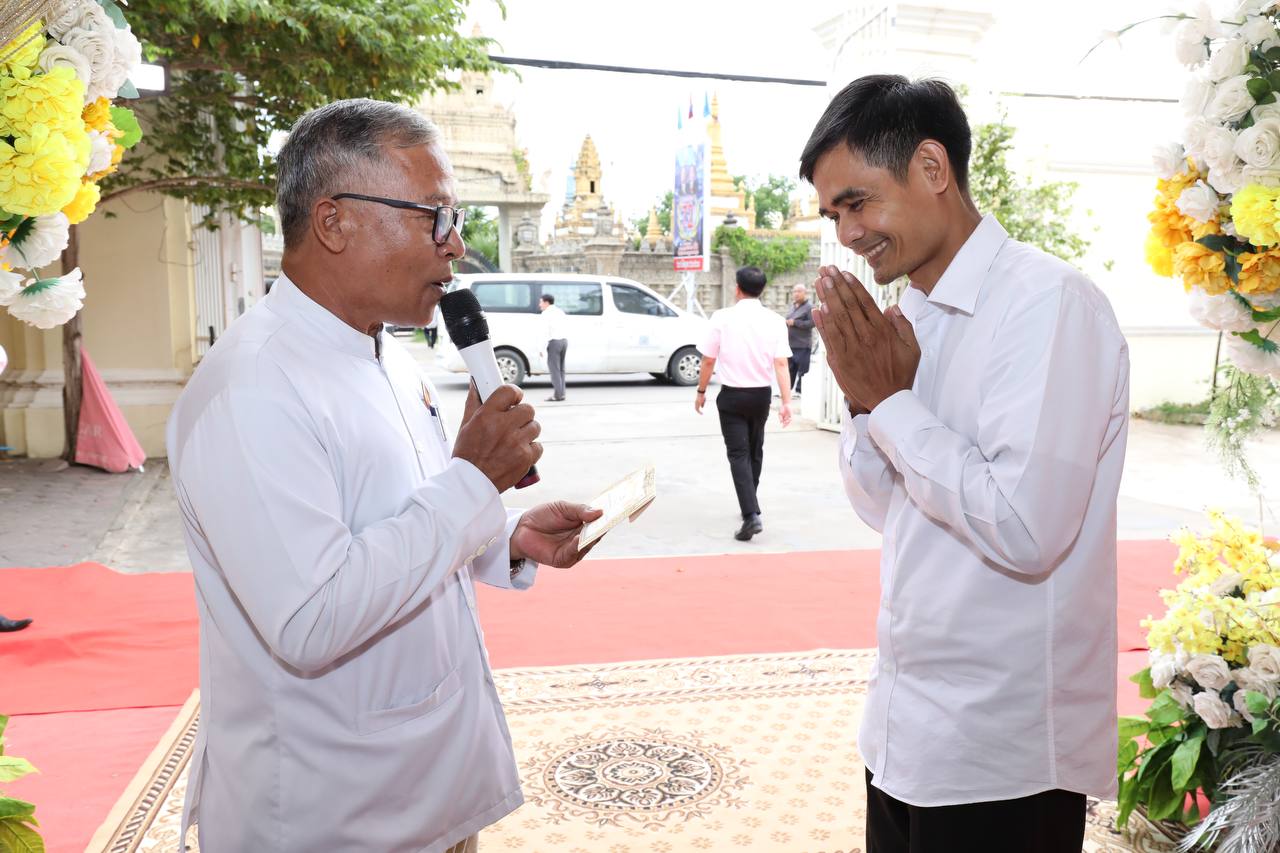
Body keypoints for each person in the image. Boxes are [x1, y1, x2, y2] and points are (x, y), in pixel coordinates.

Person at [166, 99, 603, 853]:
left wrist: (505, 537)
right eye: (435, 217)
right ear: (334, 222)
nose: (456, 244)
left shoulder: (385, 353)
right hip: (333, 813)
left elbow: (400, 518)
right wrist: (474, 481)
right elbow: (311, 618)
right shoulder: (253, 387)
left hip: (429, 783)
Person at [800, 75, 1129, 853]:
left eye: (857, 202)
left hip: (1002, 752)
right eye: (833, 215)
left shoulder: (1049, 304)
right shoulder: (911, 312)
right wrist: (865, 404)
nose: (847, 233)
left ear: (932, 168)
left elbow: (1026, 528)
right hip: (903, 727)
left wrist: (890, 403)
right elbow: (883, 507)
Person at [694, 266, 792, 541]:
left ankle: (750, 514)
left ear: (737, 288)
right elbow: (781, 363)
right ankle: (751, 502)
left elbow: (708, 360)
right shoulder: (775, 320)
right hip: (760, 396)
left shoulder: (721, 318)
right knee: (755, 450)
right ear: (763, 290)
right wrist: (786, 402)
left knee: (738, 454)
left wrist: (701, 391)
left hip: (732, 396)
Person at [785, 283, 815, 394]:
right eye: (794, 291)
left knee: (802, 370)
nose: (796, 294)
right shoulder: (793, 306)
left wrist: (795, 323)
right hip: (790, 344)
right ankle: (787, 391)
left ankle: (800, 392)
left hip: (803, 344)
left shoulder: (809, 307)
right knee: (790, 369)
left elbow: (812, 323)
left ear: (805, 293)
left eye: (799, 291)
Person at [539, 293, 567, 402]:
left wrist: (541, 348)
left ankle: (557, 395)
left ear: (546, 302)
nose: (539, 304)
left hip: (554, 342)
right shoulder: (560, 311)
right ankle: (562, 394)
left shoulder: (546, 314)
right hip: (564, 341)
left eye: (541, 302)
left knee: (554, 370)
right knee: (561, 369)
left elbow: (544, 332)